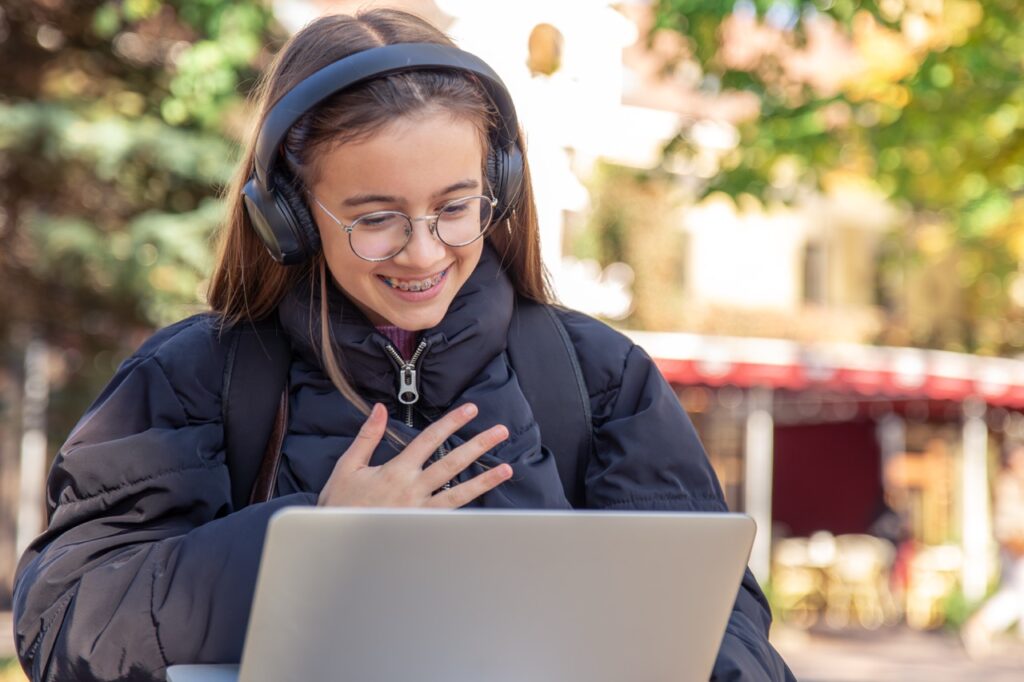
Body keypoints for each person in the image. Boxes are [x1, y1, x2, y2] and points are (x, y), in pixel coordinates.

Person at [13, 9, 794, 682]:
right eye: (375, 217)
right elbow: (62, 624)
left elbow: (729, 630)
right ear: (287, 213)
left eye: (455, 207)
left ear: (502, 188)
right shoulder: (190, 379)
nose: (423, 254)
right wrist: (312, 542)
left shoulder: (599, 380)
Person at [962, 442, 1024, 657]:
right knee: (1016, 596)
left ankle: (979, 626)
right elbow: (1009, 524)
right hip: (1015, 545)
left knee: (1017, 595)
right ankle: (978, 625)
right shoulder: (1008, 484)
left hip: (1014, 544)